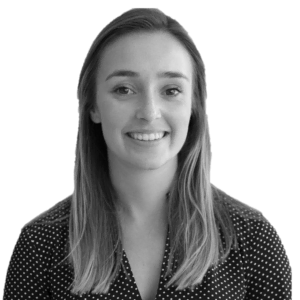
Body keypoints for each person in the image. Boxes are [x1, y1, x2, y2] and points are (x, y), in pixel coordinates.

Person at [3, 7, 293, 300]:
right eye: (124, 89)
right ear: (92, 106)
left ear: (194, 106)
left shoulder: (254, 239)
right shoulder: (39, 244)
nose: (149, 112)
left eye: (171, 90)